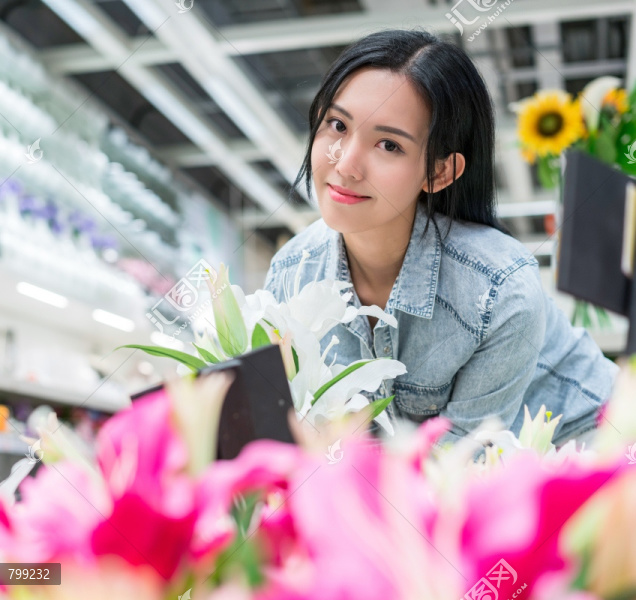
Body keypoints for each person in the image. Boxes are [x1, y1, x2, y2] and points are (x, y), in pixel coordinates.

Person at [262, 28, 619, 447]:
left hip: (590, 447)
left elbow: (460, 464)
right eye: (337, 125)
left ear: (440, 172)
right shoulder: (290, 274)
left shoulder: (497, 291)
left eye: (388, 145)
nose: (346, 163)